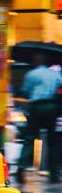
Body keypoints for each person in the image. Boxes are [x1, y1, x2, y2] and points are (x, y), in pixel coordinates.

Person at [16, 52, 62, 184]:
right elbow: (60, 86)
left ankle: (21, 166)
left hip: (36, 107)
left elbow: (25, 90)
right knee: (53, 141)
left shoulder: (31, 74)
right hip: (51, 106)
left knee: (30, 138)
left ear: (36, 60)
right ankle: (54, 173)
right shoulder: (55, 74)